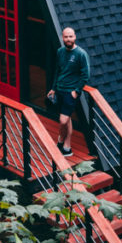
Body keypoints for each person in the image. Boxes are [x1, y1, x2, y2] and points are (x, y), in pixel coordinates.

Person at [47, 27, 90, 157]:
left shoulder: (81, 54)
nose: (68, 39)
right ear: (63, 38)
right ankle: (67, 147)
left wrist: (76, 91)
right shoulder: (60, 52)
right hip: (59, 89)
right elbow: (57, 71)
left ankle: (60, 139)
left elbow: (86, 75)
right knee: (67, 119)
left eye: (71, 36)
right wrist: (53, 88)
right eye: (66, 37)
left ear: (75, 37)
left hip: (70, 92)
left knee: (63, 120)